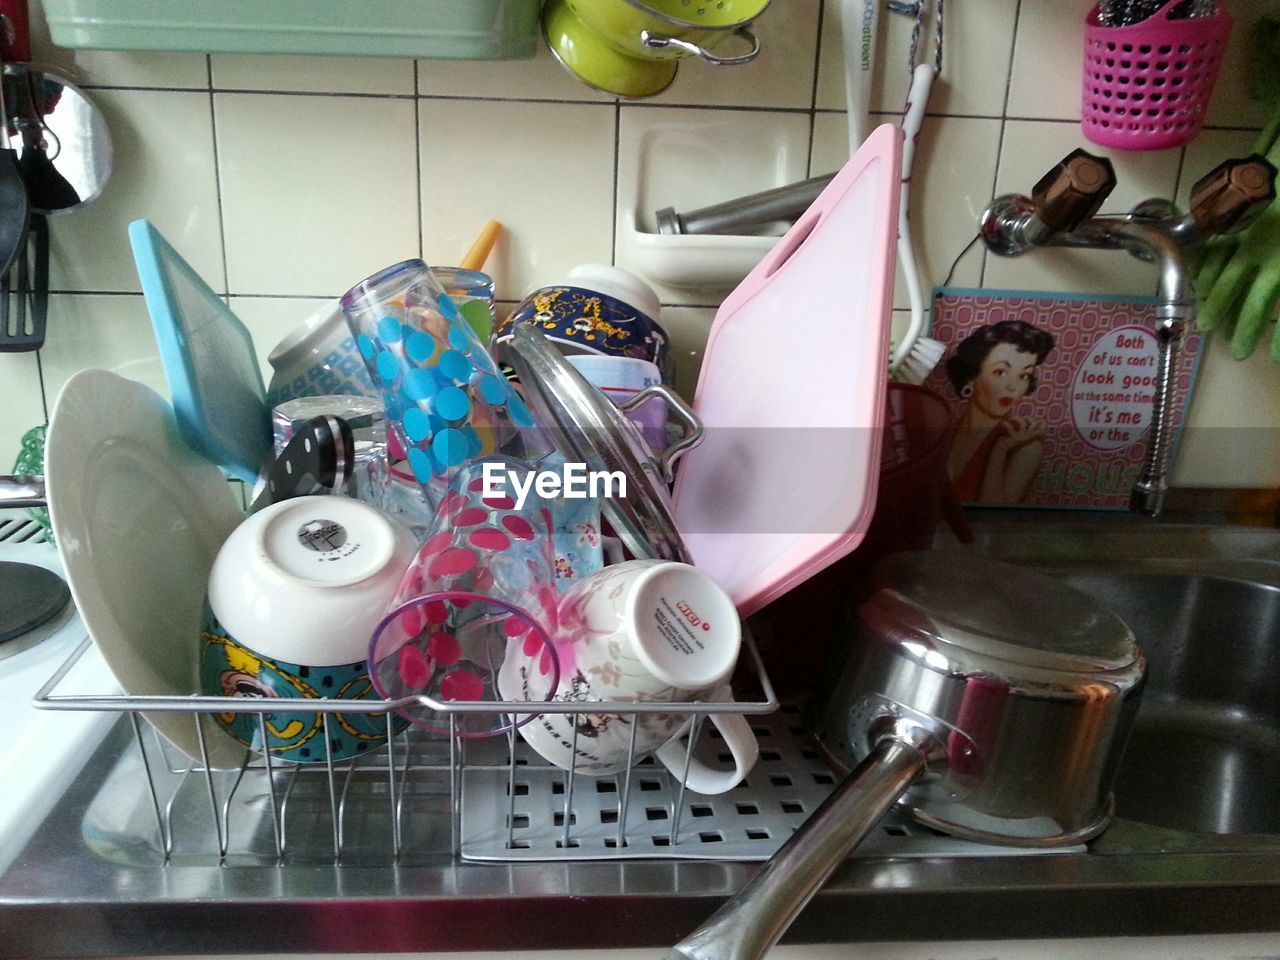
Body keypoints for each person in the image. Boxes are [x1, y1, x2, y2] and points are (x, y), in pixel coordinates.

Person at [944, 319, 1055, 504]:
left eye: (1023, 375)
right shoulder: (944, 434)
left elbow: (994, 519)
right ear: (972, 376)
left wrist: (1000, 450)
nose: (1012, 386)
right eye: (1001, 372)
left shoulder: (1026, 447)